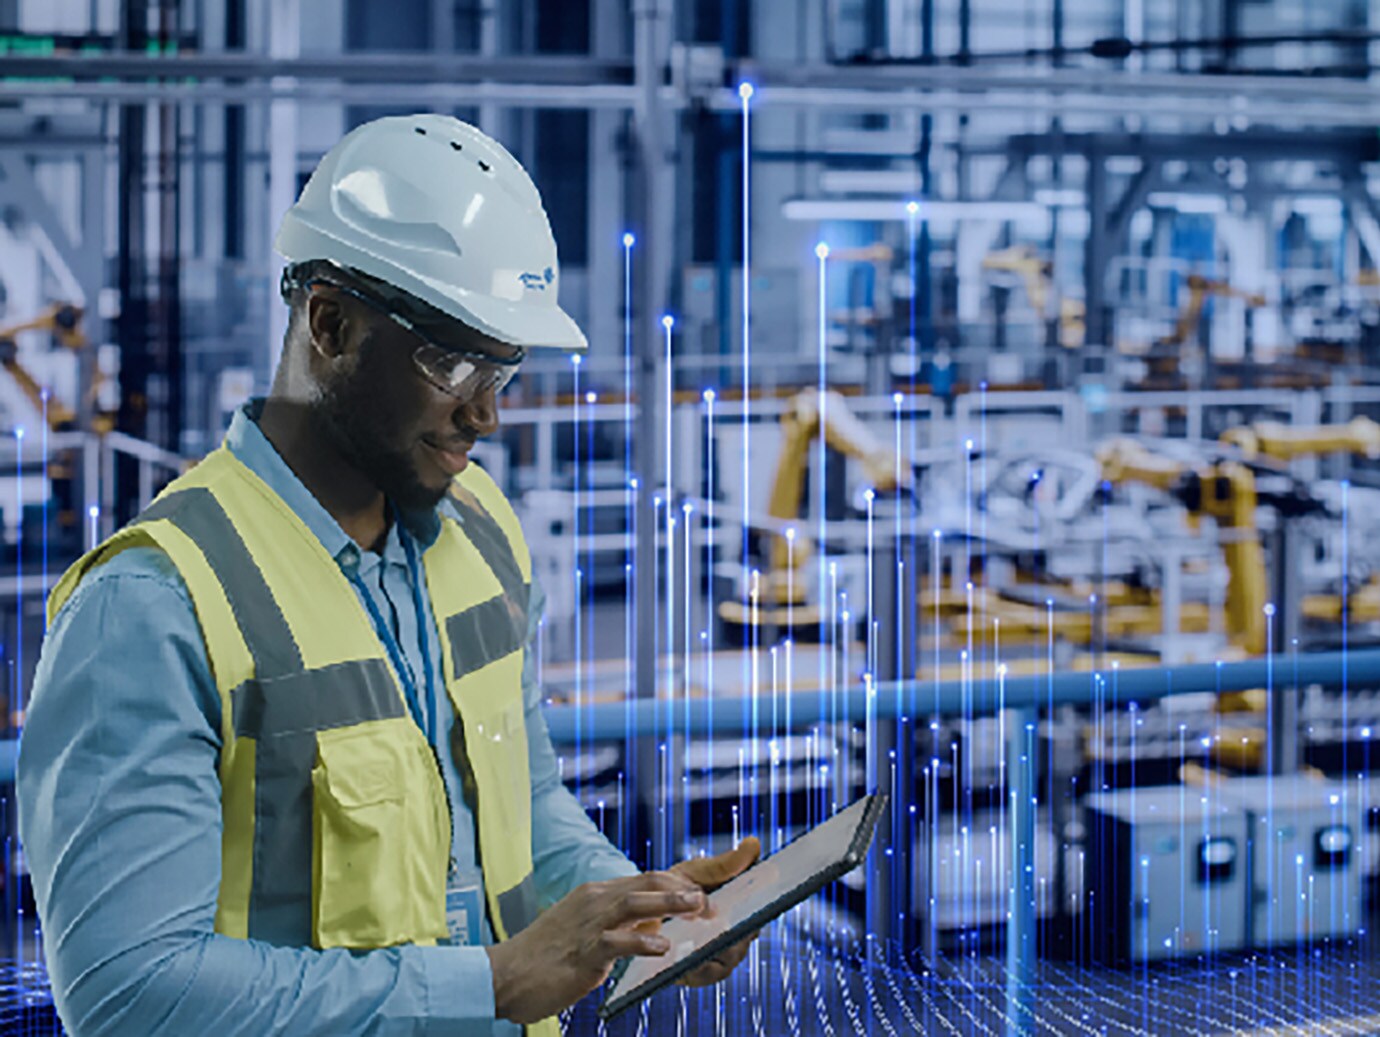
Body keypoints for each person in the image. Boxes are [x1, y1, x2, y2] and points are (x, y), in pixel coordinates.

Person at [17, 113, 759, 1036]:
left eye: (506, 367)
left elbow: (522, 805)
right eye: (451, 360)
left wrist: (627, 911)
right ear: (329, 322)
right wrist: (488, 984)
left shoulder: (483, 530)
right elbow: (128, 993)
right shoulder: (152, 603)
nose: (485, 413)